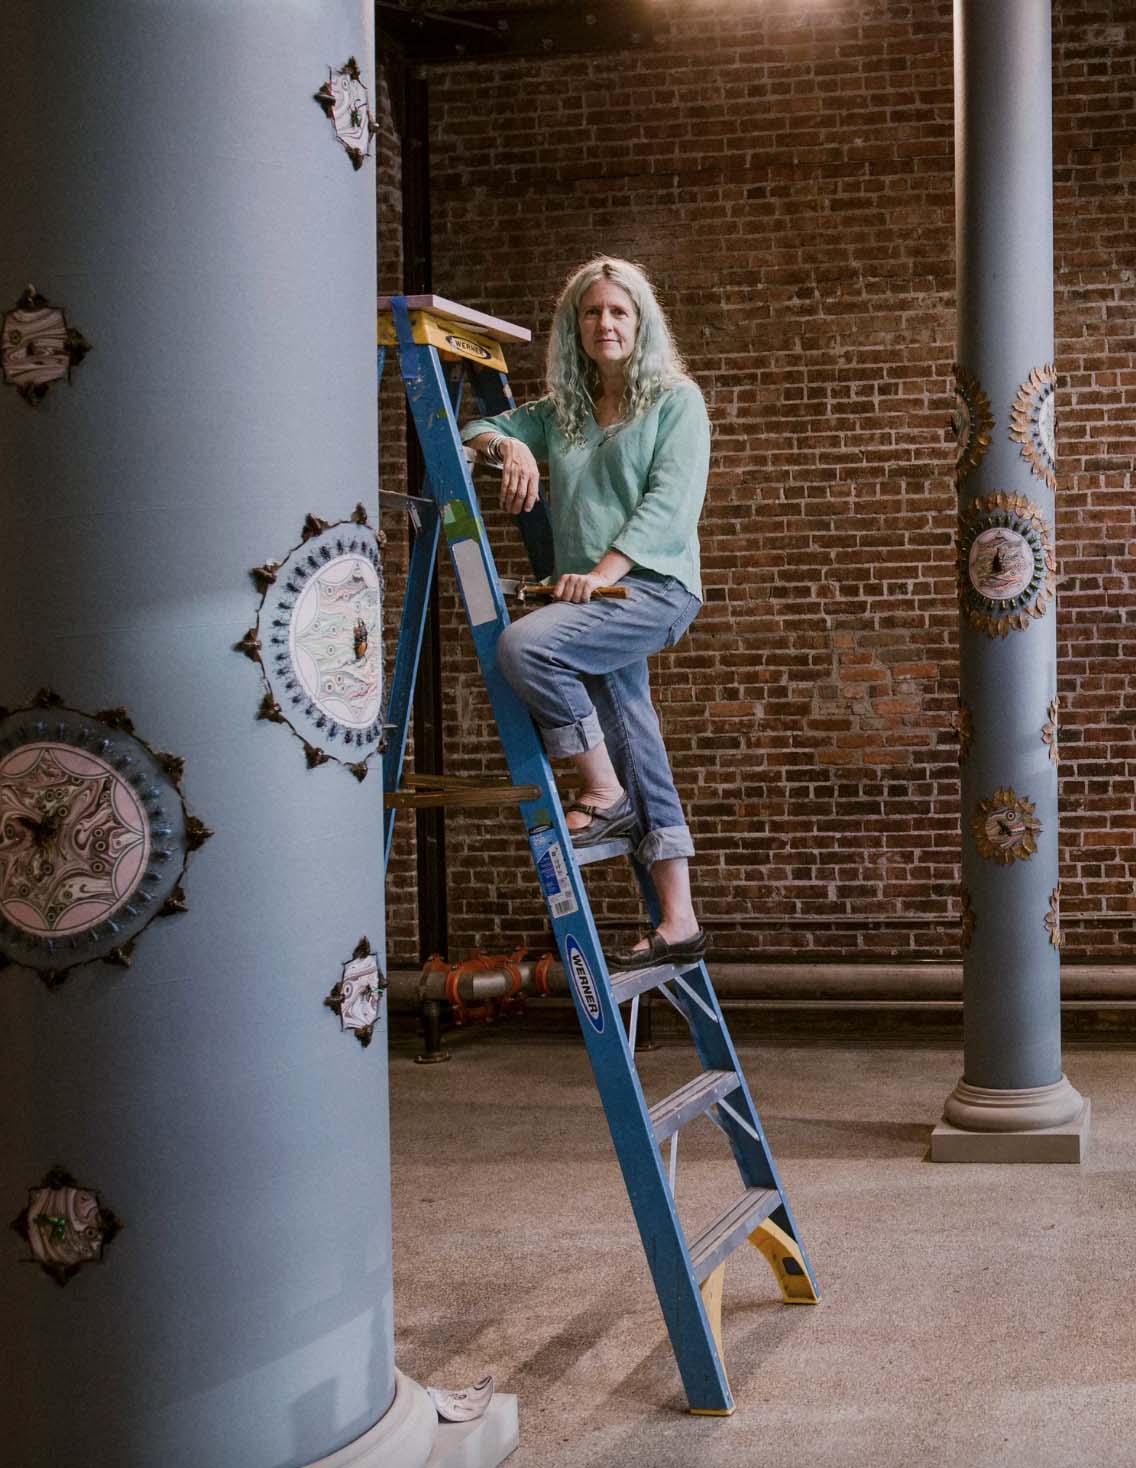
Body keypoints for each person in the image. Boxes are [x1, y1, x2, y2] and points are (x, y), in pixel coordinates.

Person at [461, 257, 710, 971]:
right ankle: (679, 918)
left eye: (619, 312)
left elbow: (670, 504)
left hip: (652, 590)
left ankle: (602, 792)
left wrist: (602, 576)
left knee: (526, 648)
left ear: (642, 323)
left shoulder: (674, 401)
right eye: (593, 313)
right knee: (635, 735)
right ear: (576, 328)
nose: (606, 323)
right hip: (591, 598)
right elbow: (474, 425)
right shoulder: (557, 415)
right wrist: (509, 445)